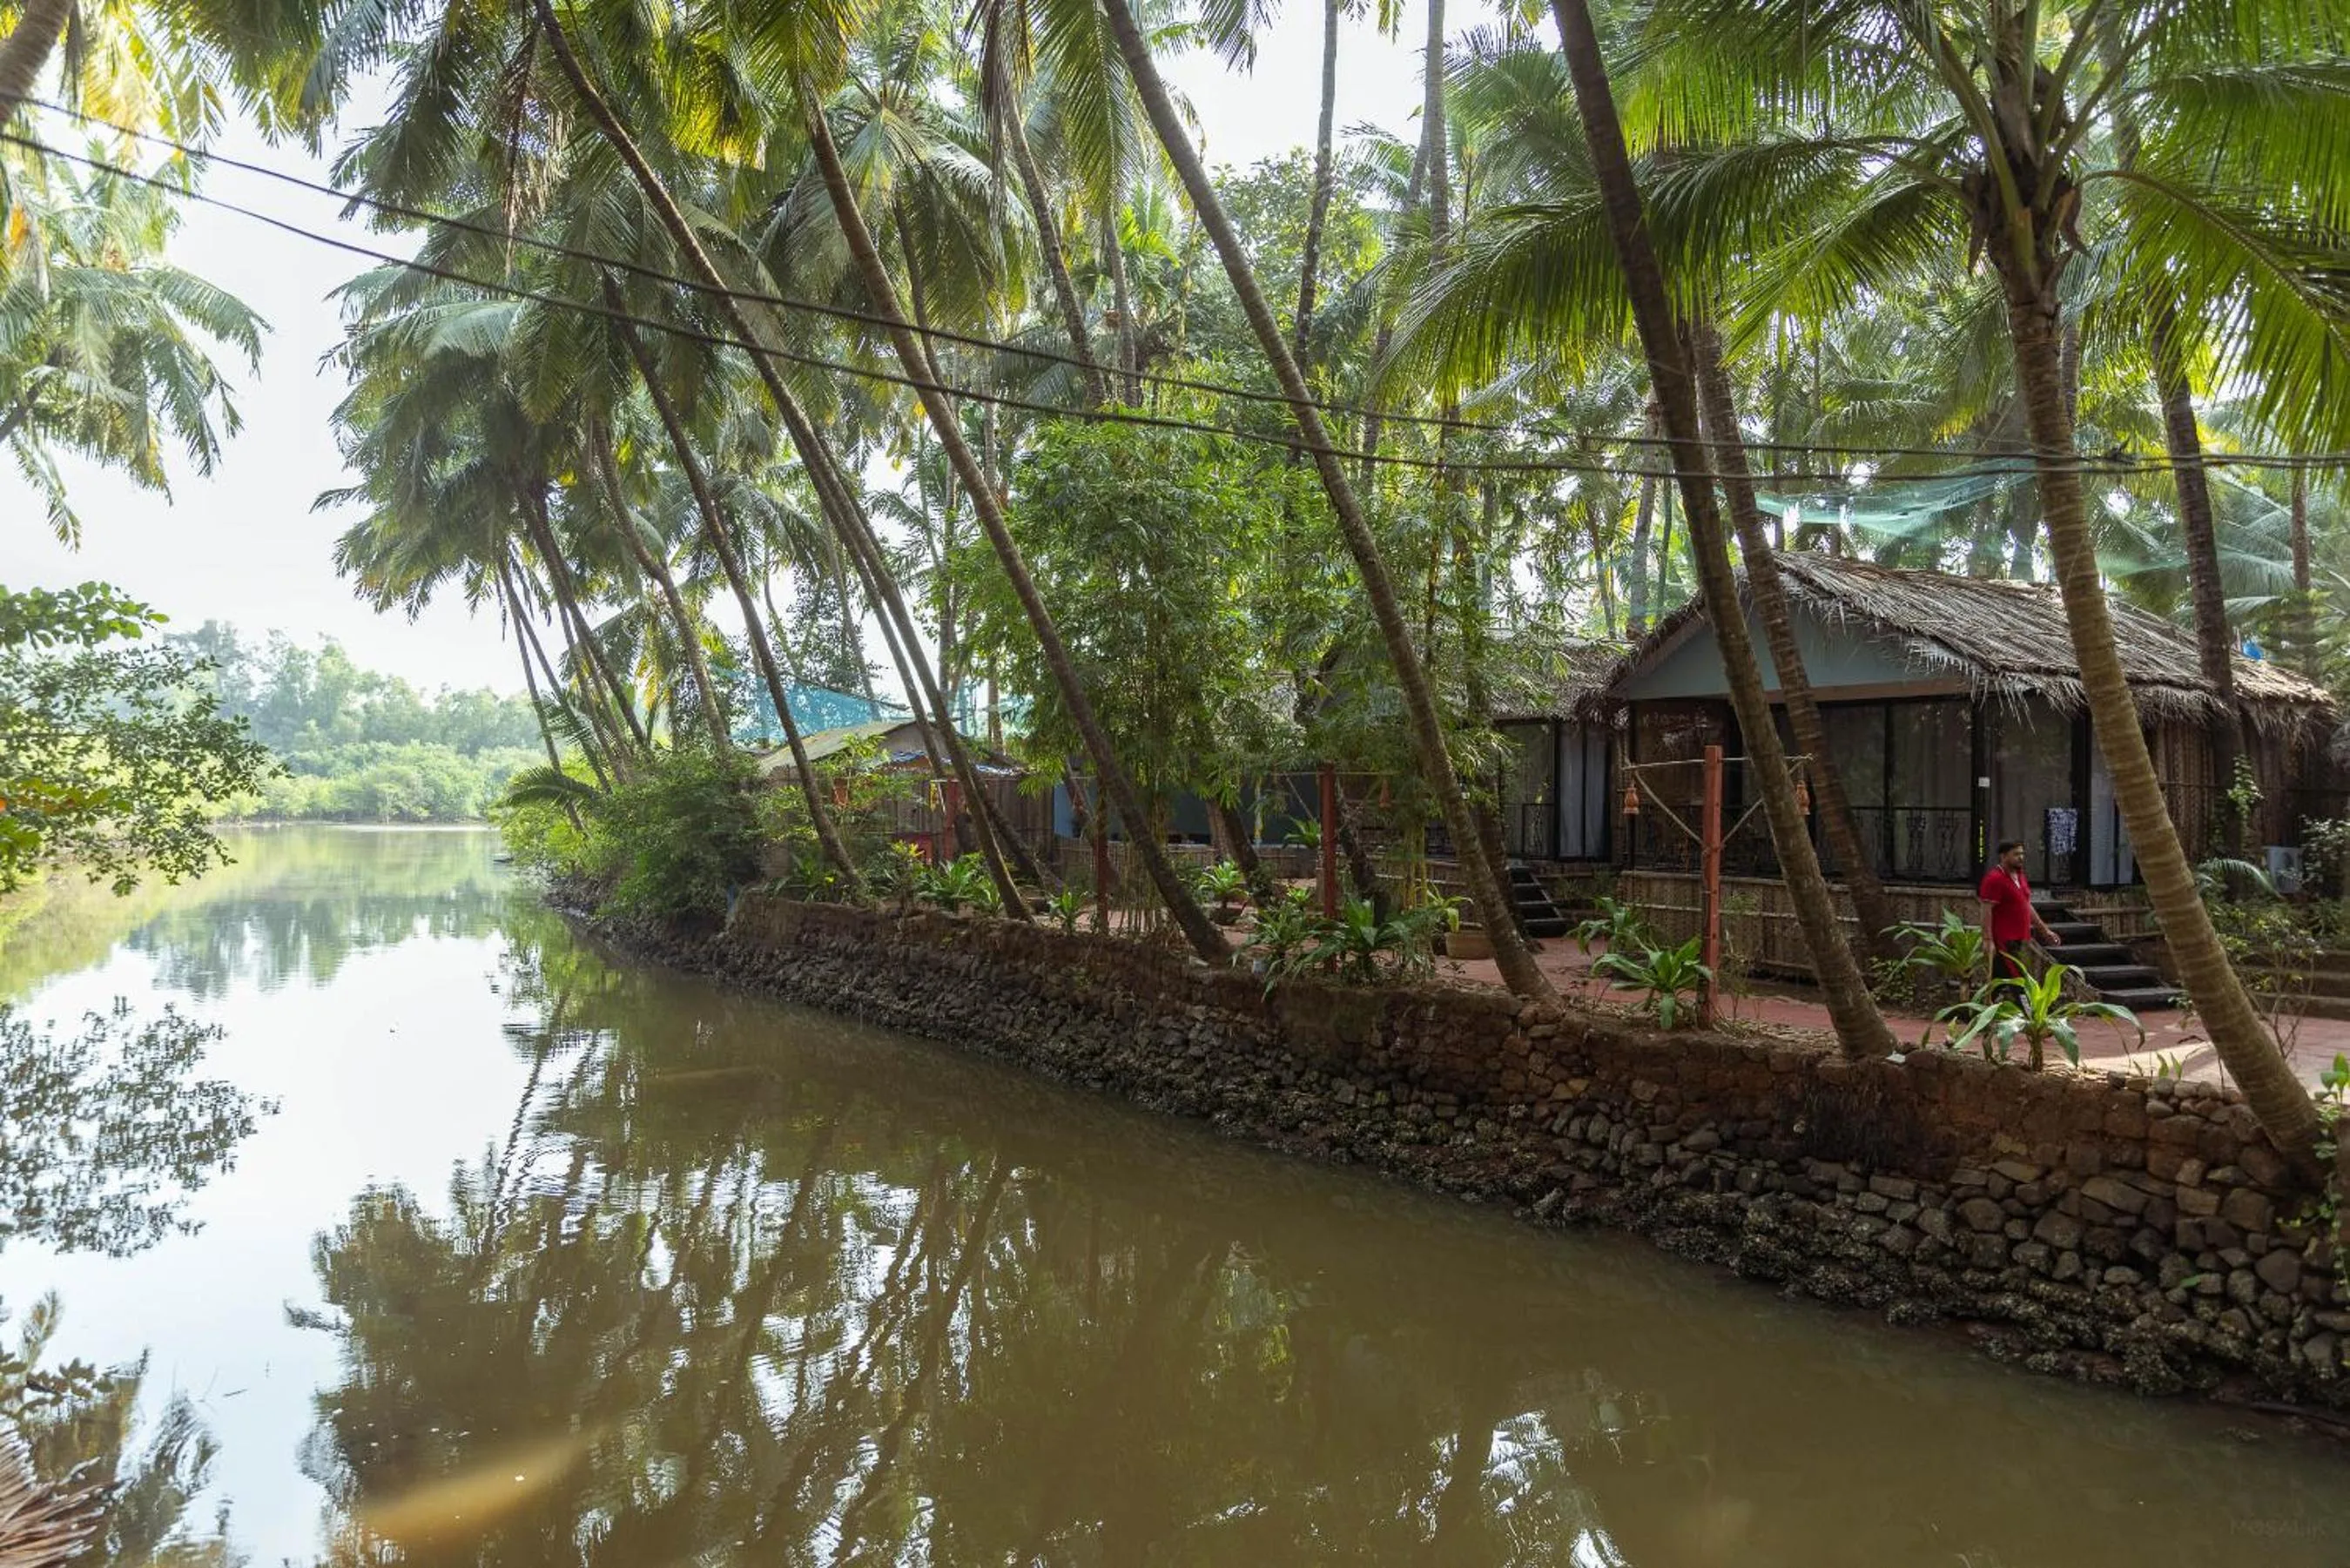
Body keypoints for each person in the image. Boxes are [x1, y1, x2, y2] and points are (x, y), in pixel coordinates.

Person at [1978, 838, 2061, 982]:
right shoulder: (1994, 879)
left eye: (2022, 854)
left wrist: (2044, 930)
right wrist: (1987, 939)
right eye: (2016, 854)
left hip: (2018, 938)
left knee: (1999, 979)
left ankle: (1982, 1002)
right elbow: (1986, 910)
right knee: (2019, 979)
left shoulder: (2020, 876)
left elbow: (2026, 905)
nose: (2021, 858)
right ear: (2004, 856)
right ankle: (2027, 1005)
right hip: (2003, 939)